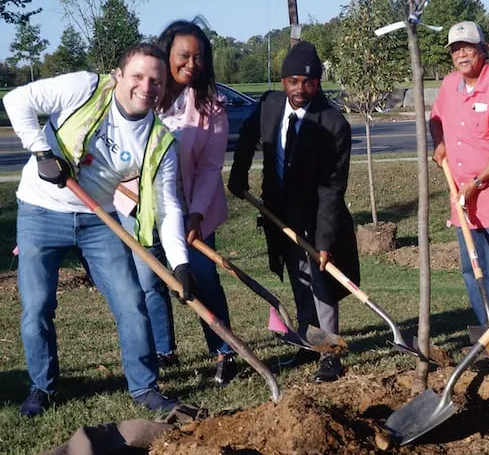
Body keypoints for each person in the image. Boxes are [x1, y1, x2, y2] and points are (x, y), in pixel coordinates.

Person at [4, 43, 191, 417]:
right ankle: (43, 387)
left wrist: (181, 265)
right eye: (137, 76)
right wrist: (42, 152)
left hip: (99, 221)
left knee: (131, 302)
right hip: (42, 211)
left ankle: (144, 387)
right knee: (37, 307)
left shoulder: (160, 141)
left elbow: (168, 206)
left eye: (155, 80)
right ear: (118, 76)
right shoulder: (84, 88)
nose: (146, 86)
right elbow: (16, 100)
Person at [114, 21, 238, 386]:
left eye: (199, 57)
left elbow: (211, 165)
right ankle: (164, 349)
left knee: (202, 278)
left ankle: (224, 351)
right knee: (150, 281)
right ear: (166, 54)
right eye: (183, 55)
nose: (191, 63)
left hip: (192, 211)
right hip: (139, 210)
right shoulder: (140, 97)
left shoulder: (210, 105)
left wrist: (195, 214)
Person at [228, 41, 359, 383]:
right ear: (284, 80)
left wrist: (326, 240)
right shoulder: (270, 104)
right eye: (293, 81)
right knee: (299, 279)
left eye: (309, 82)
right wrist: (239, 174)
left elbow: (333, 188)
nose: (301, 89)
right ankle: (307, 342)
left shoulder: (333, 124)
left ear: (318, 83)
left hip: (318, 216)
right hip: (280, 212)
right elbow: (246, 137)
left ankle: (330, 353)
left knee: (322, 283)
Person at [429, 21, 489, 357]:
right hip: (463, 201)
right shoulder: (449, 86)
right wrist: (439, 142)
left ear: (483, 49)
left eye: (467, 47)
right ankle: (488, 334)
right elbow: (437, 117)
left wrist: (477, 182)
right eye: (455, 49)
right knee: (473, 273)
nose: (461, 54)